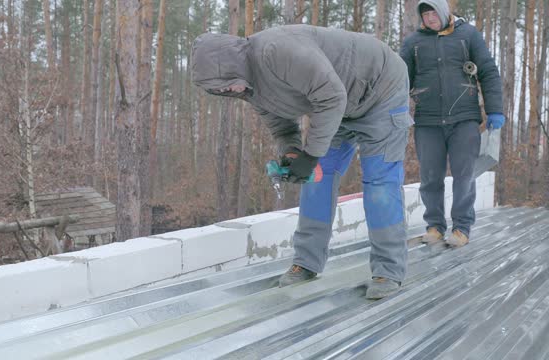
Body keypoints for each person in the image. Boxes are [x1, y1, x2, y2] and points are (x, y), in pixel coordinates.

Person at [192, 25, 412, 300]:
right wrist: (294, 155)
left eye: (223, 82)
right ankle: (307, 262)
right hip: (339, 107)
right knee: (317, 179)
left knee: (379, 183)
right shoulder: (249, 88)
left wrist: (311, 154)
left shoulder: (280, 52)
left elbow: (331, 96)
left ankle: (388, 270)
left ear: (229, 63)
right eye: (219, 90)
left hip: (380, 91)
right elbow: (282, 127)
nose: (227, 90)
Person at [400, 0, 504, 247]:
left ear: (444, 12)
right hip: (427, 120)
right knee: (430, 177)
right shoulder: (413, 42)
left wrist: (495, 110)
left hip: (464, 119)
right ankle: (435, 226)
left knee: (464, 175)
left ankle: (461, 228)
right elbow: (400, 80)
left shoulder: (468, 34)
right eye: (425, 14)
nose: (430, 17)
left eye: (433, 12)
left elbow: (488, 71)